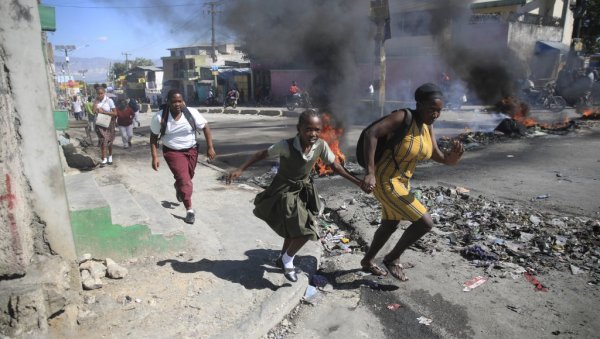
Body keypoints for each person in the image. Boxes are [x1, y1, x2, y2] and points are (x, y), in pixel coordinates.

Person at [226, 110, 367, 282]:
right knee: (306, 231)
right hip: (285, 190)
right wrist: (240, 169)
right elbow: (260, 154)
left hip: (303, 190)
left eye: (317, 129)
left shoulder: (321, 145)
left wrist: (358, 182)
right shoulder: (286, 146)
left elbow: (336, 166)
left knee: (294, 228)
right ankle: (287, 260)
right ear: (298, 129)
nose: (313, 134)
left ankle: (282, 258)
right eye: (308, 129)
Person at [360, 83, 464, 281]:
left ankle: (367, 260)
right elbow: (370, 133)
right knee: (425, 223)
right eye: (432, 109)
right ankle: (392, 258)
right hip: (384, 179)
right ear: (419, 104)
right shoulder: (402, 117)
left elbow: (435, 154)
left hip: (402, 182)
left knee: (390, 223)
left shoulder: (427, 126)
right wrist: (370, 172)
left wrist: (451, 159)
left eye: (439, 111)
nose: (435, 115)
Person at [150, 89, 216, 224]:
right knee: (185, 180)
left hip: (192, 150)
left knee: (188, 177)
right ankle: (189, 210)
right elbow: (153, 138)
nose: (177, 104)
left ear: (183, 101)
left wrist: (210, 147)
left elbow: (205, 127)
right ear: (168, 102)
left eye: (179, 101)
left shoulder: (191, 113)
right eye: (174, 101)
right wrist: (154, 156)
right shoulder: (160, 117)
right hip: (172, 152)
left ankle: (178, 186)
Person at [93, 84, 117, 166]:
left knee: (109, 141)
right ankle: (104, 158)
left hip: (109, 123)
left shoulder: (109, 100)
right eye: (98, 94)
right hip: (100, 124)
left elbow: (115, 113)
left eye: (101, 93)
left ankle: (110, 156)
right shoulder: (96, 101)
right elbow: (93, 111)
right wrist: (96, 104)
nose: (100, 95)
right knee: (103, 140)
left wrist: (104, 112)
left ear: (104, 93)